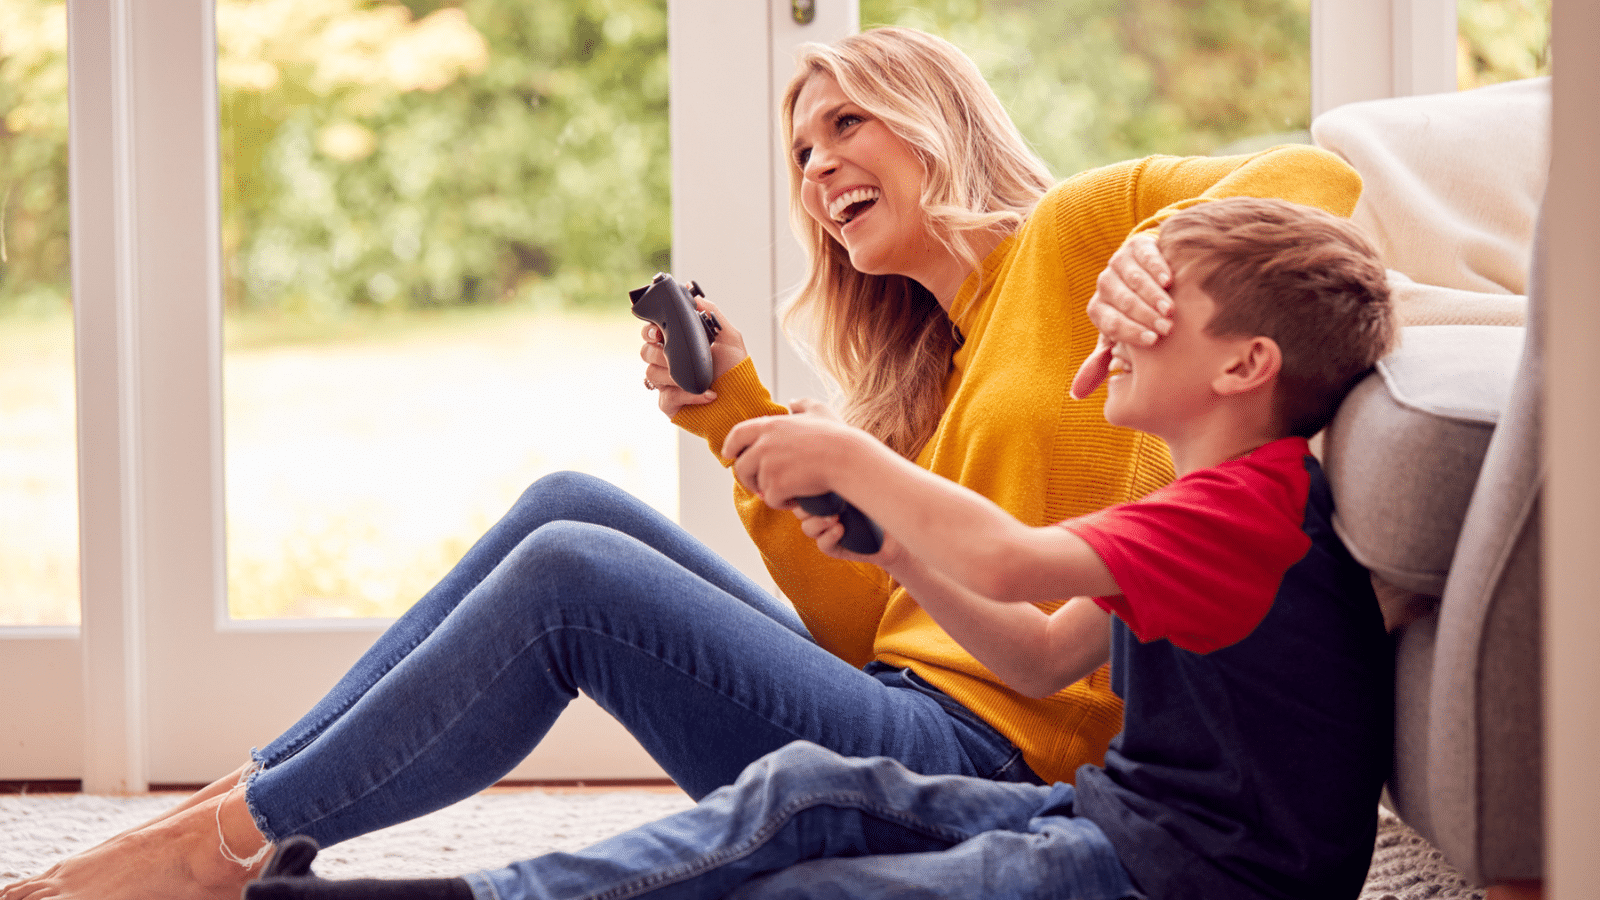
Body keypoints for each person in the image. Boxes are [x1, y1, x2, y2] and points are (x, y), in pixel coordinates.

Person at [0, 28, 1363, 900]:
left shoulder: (1081, 231)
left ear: (932, 115)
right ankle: (244, 808)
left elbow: (1325, 185)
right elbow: (855, 631)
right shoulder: (928, 377)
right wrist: (734, 424)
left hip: (1010, 766)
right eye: (801, 148)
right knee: (569, 508)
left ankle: (218, 850)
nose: (819, 163)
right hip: (916, 706)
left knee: (575, 578)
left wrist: (1156, 256)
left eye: (848, 124)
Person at [242, 195, 1399, 900]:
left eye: (848, 124)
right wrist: (890, 540)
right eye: (800, 148)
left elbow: (1005, 561)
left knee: (798, 880)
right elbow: (1041, 650)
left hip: (1171, 872)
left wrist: (852, 462)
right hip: (1105, 815)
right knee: (783, 781)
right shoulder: (1194, 486)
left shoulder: (1239, 494)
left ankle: (331, 861)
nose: (1112, 322)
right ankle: (284, 816)